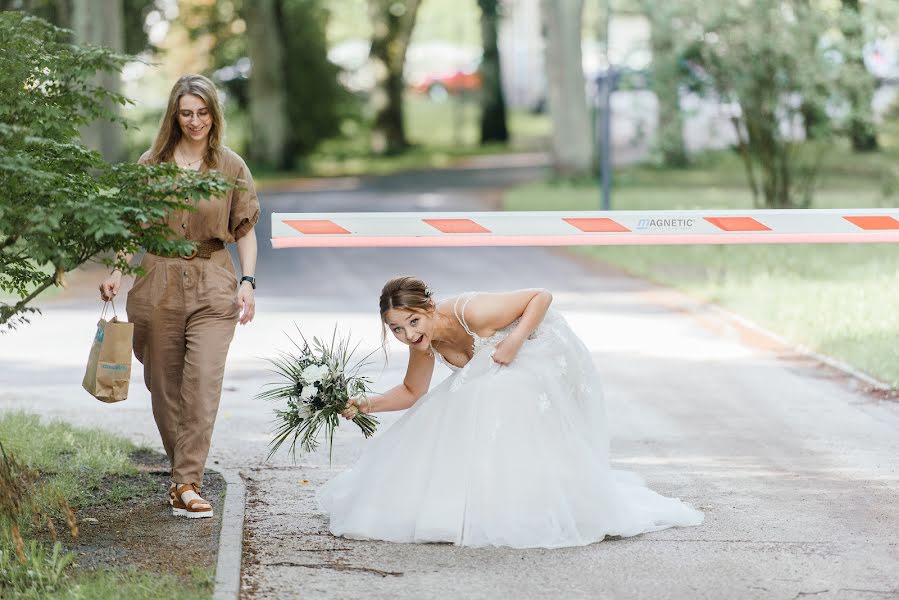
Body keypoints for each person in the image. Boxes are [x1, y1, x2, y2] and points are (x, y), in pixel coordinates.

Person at [317, 276, 703, 548]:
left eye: (413, 322)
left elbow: (541, 296)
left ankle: (538, 500)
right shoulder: (422, 343)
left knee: (496, 391)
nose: (409, 335)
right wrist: (366, 403)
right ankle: (488, 500)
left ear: (429, 307)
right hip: (497, 368)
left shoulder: (473, 313)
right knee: (459, 400)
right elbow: (411, 391)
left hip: (542, 348)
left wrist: (515, 340)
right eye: (397, 330)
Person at [99, 74, 259, 519]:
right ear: (174, 114)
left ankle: (186, 481)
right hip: (157, 280)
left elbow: (245, 231)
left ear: (214, 114)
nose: (195, 121)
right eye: (186, 113)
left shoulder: (230, 166)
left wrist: (248, 282)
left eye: (203, 112)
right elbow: (132, 230)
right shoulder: (151, 165)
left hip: (213, 280)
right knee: (163, 385)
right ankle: (182, 478)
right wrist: (116, 271)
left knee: (203, 382)